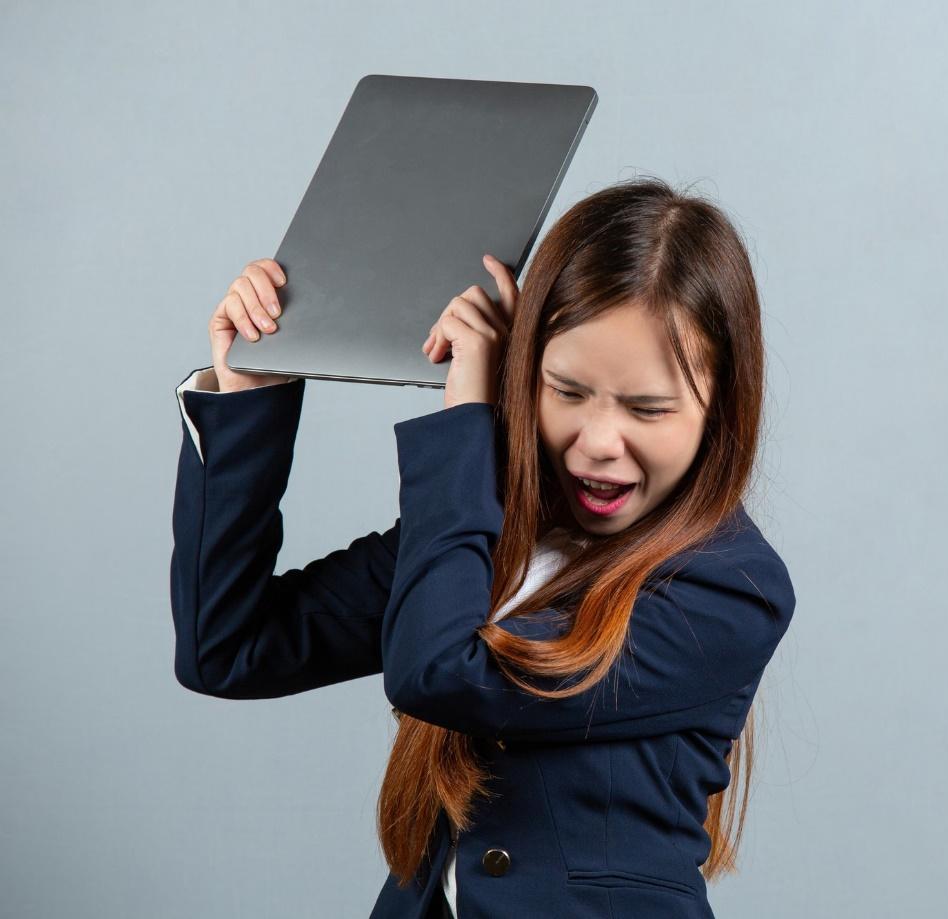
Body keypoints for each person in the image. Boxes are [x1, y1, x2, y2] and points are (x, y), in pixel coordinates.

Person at [168, 176, 796, 918]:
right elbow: (227, 647)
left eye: (648, 409)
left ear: (720, 410)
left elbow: (442, 673)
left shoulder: (730, 589)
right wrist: (250, 392)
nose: (599, 442)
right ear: (525, 372)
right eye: (566, 391)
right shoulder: (488, 531)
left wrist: (467, 421)